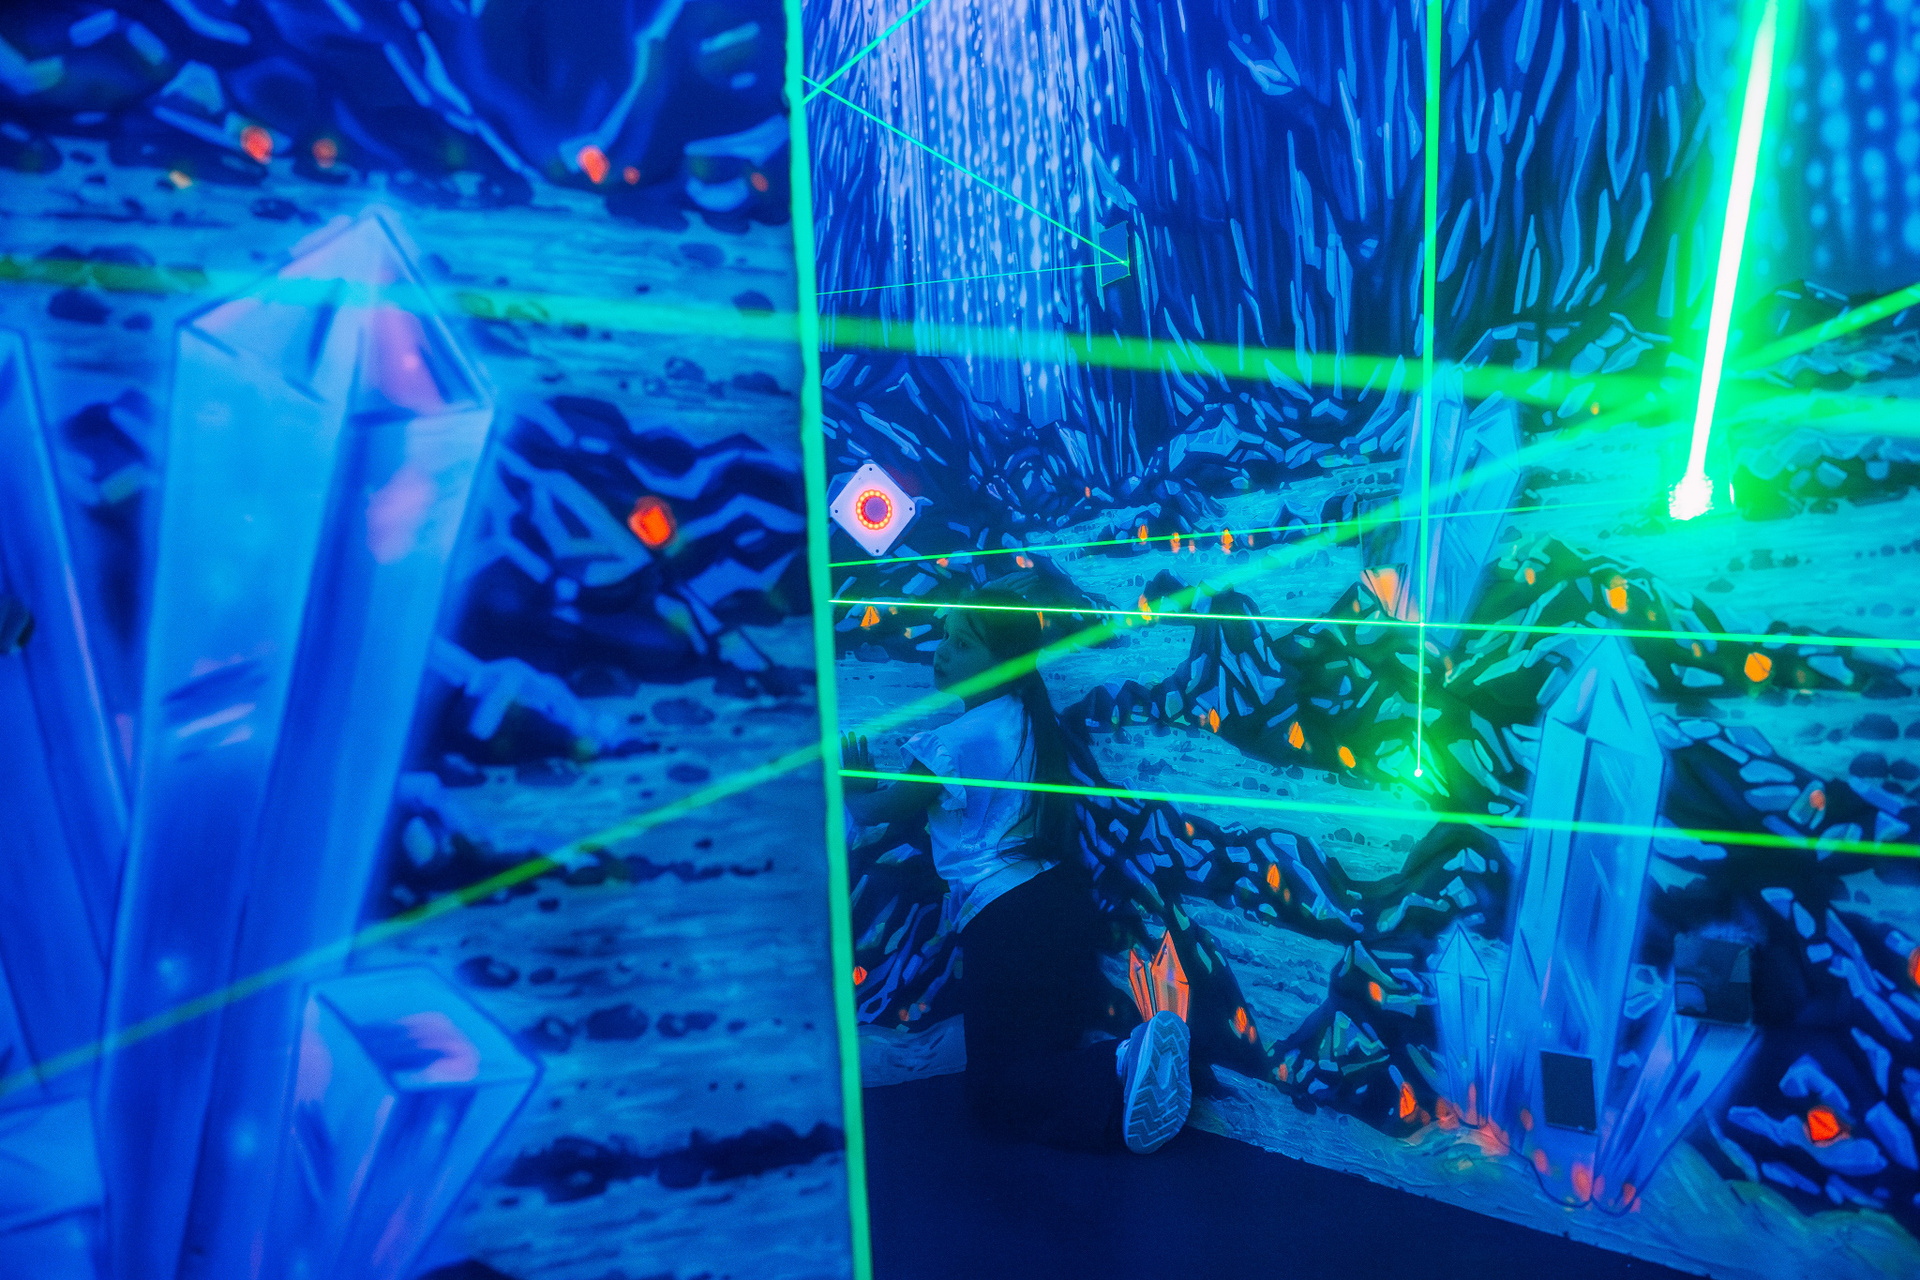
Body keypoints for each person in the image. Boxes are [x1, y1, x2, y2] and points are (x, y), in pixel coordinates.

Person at [841, 589, 1191, 1153]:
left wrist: (854, 789)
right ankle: (1131, 1075)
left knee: (994, 1092)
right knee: (1034, 1064)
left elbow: (879, 810)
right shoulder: (1026, 719)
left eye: (962, 644)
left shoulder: (957, 740)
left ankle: (1124, 1059)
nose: (942, 652)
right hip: (1056, 900)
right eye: (945, 637)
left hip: (1008, 918)